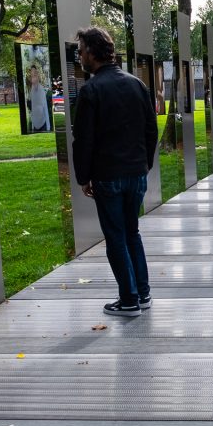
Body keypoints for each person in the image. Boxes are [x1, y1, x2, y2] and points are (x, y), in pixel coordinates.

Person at [72, 26, 158, 317]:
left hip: (108, 174)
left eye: (81, 50)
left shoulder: (91, 91)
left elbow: (84, 138)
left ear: (93, 52)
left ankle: (129, 299)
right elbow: (150, 129)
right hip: (135, 172)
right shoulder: (136, 84)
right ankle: (142, 293)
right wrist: (144, 163)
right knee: (131, 231)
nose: (79, 56)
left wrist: (83, 176)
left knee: (116, 236)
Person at [27, 65, 51, 132]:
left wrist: (48, 127)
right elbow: (32, 109)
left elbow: (45, 108)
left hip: (43, 123)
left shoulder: (41, 89)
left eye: (35, 75)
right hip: (35, 124)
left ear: (38, 76)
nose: (33, 78)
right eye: (31, 76)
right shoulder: (31, 90)